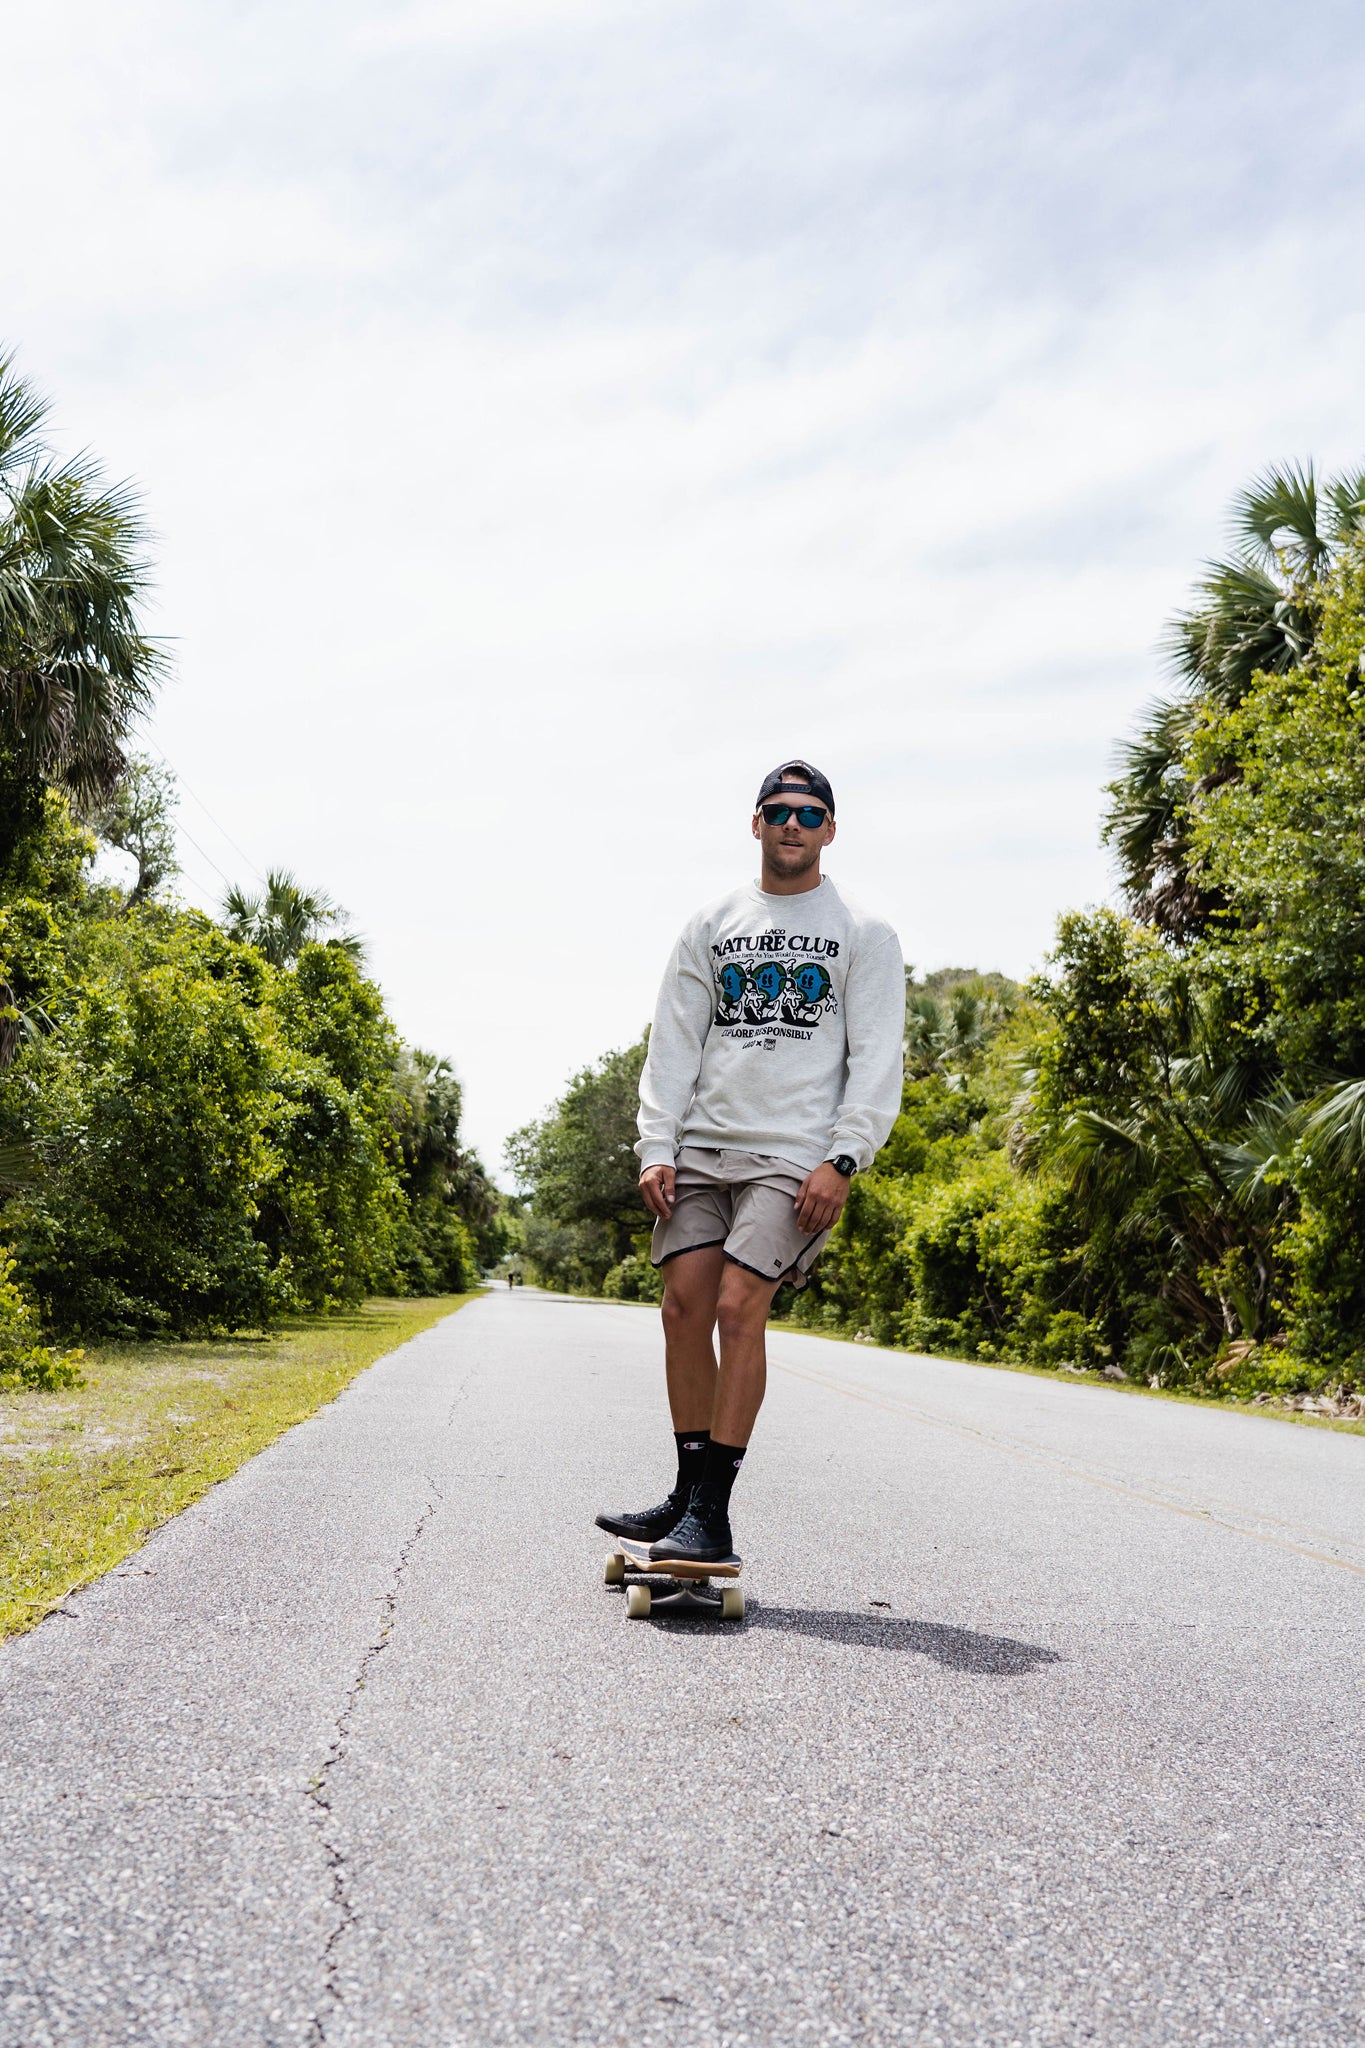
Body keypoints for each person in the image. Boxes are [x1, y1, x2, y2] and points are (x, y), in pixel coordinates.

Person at [595, 760, 904, 1565]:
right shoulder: (712, 922)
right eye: (777, 810)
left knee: (739, 1307)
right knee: (682, 1308)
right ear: (756, 823)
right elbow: (673, 1044)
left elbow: (875, 1058)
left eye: (808, 812)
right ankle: (684, 1495)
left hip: (795, 1155)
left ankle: (713, 1514)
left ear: (830, 829)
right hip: (701, 1146)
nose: (792, 824)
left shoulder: (864, 934)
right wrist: (655, 1144)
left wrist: (844, 1157)